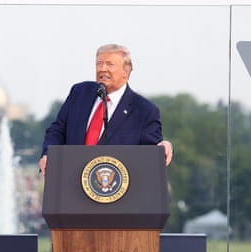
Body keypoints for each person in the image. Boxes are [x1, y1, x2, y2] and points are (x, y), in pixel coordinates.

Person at [38, 43, 173, 176]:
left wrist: (164, 146)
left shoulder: (144, 111)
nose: (102, 69)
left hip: (113, 190)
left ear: (125, 72)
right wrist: (48, 155)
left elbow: (151, 152)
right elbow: (57, 130)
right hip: (71, 181)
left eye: (110, 64)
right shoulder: (79, 93)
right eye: (99, 64)